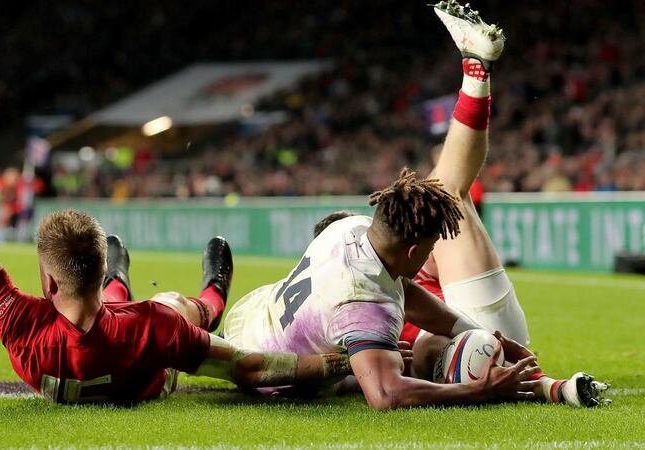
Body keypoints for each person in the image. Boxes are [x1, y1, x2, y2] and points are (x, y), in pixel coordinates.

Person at [223, 1, 606, 409]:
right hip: (469, 351)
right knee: (448, 200)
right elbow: (386, 394)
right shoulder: (361, 296)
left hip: (474, 338)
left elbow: (416, 300)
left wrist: (508, 349)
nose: (429, 249)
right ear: (407, 250)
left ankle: (548, 385)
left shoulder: (352, 256)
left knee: (443, 203)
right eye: (424, 247)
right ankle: (475, 75)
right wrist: (483, 389)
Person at [0, 97, 352, 405]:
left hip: (89, 328)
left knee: (117, 306)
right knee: (173, 304)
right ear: (96, 267)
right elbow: (249, 367)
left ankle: (118, 283)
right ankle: (211, 300)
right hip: (145, 362)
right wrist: (338, 363)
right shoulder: (152, 327)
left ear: (48, 282)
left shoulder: (21, 325)